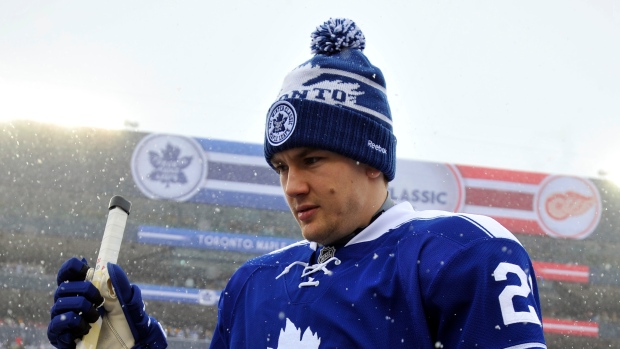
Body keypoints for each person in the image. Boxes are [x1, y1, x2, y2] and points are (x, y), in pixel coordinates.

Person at [48, 18, 546, 348]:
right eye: (282, 167)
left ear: (371, 159)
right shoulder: (252, 285)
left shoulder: (461, 255)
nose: (292, 185)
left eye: (311, 160)